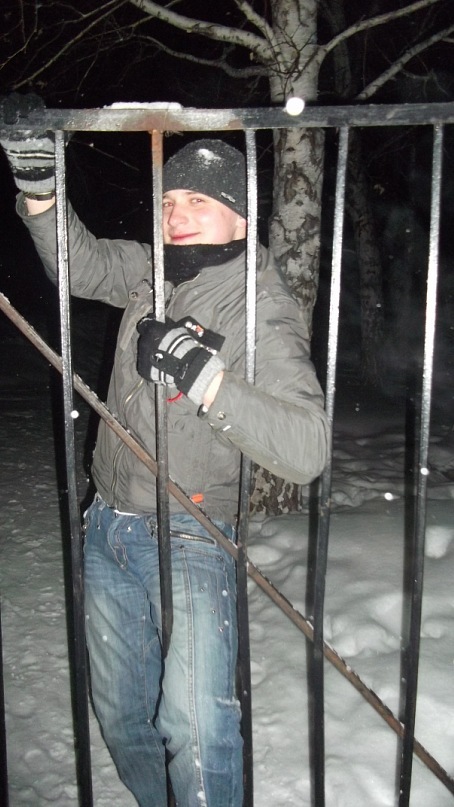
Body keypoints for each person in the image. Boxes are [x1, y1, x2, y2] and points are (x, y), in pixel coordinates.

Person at [1, 94, 329, 807]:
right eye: (170, 199)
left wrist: (202, 375)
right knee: (124, 717)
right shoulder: (151, 270)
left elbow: (307, 449)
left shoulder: (261, 308)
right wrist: (40, 191)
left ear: (241, 217)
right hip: (107, 524)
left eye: (198, 201)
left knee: (196, 728)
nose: (177, 213)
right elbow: (82, 264)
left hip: (192, 531)